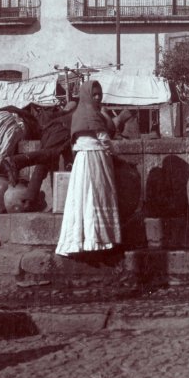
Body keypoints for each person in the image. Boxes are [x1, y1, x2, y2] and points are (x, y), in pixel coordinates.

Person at [55, 81, 122, 256]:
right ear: (87, 95)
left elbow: (75, 140)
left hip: (81, 160)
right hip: (96, 159)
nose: (98, 97)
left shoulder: (77, 115)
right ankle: (97, 239)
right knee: (96, 195)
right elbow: (104, 138)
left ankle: (81, 240)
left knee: (81, 198)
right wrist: (113, 154)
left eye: (99, 94)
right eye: (94, 95)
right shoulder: (93, 114)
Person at [1, 104, 73, 211]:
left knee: (44, 163)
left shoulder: (72, 112)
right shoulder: (89, 111)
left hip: (52, 129)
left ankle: (30, 200)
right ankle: (16, 161)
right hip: (61, 129)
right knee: (48, 155)